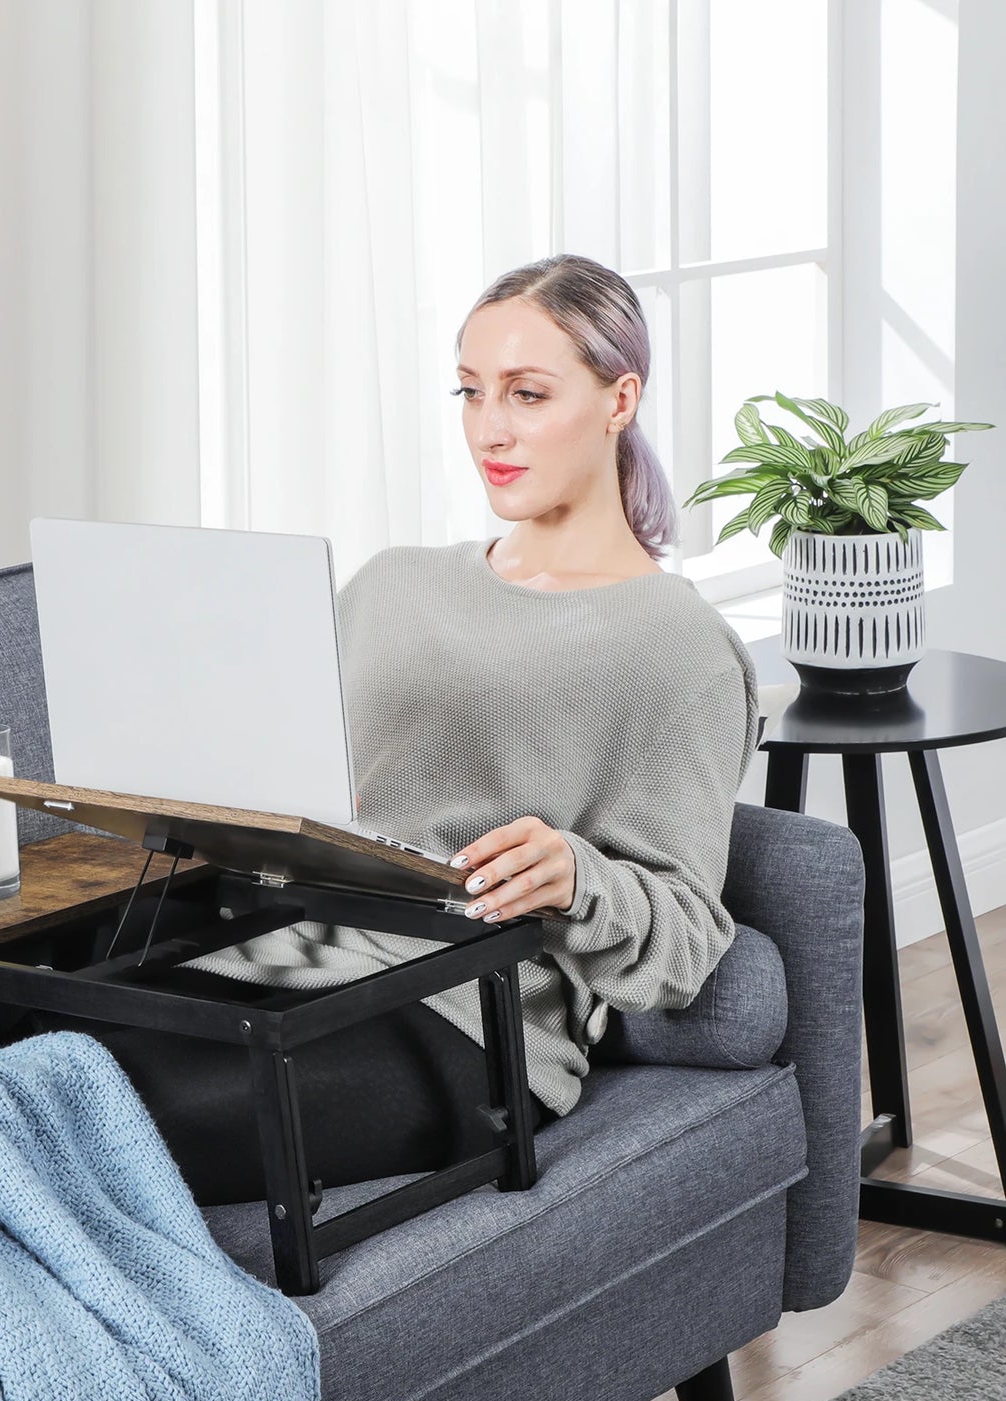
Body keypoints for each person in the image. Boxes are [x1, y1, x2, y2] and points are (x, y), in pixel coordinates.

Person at [90, 253, 760, 1207]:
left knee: (88, 1124)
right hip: (267, 951)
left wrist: (579, 874)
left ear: (619, 400)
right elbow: (281, 772)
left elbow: (686, 945)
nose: (490, 428)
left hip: (461, 1025)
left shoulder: (678, 649)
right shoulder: (392, 582)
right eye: (471, 391)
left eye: (527, 394)